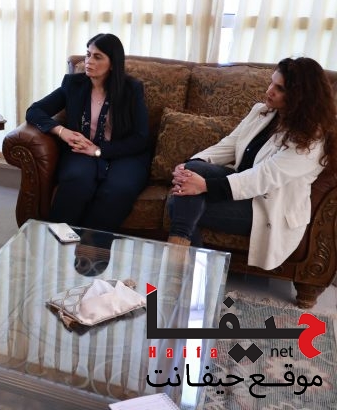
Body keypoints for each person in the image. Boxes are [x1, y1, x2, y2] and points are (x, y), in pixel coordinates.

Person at [167, 57, 337, 270]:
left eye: (280, 88)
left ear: (300, 96)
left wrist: (205, 185)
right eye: (271, 82)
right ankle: (195, 269)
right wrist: (189, 165)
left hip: (267, 207)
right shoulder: (262, 111)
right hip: (241, 188)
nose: (270, 91)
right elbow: (229, 145)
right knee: (193, 169)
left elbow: (264, 176)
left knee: (176, 203)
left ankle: (183, 261)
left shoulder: (310, 139)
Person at [26, 33, 150, 235]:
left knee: (119, 189)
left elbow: (141, 138)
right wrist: (62, 131)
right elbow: (34, 111)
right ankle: (57, 242)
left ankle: (91, 246)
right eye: (88, 54)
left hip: (124, 153)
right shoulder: (73, 84)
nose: (89, 61)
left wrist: (99, 151)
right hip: (82, 150)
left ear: (113, 64)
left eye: (97, 57)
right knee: (77, 179)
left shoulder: (131, 89)